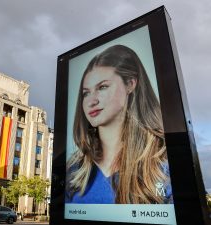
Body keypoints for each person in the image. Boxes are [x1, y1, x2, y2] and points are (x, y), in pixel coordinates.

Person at [66, 45, 172, 204]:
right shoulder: (75, 169)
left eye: (102, 87)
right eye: (86, 93)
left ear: (130, 84)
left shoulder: (162, 160)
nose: (91, 101)